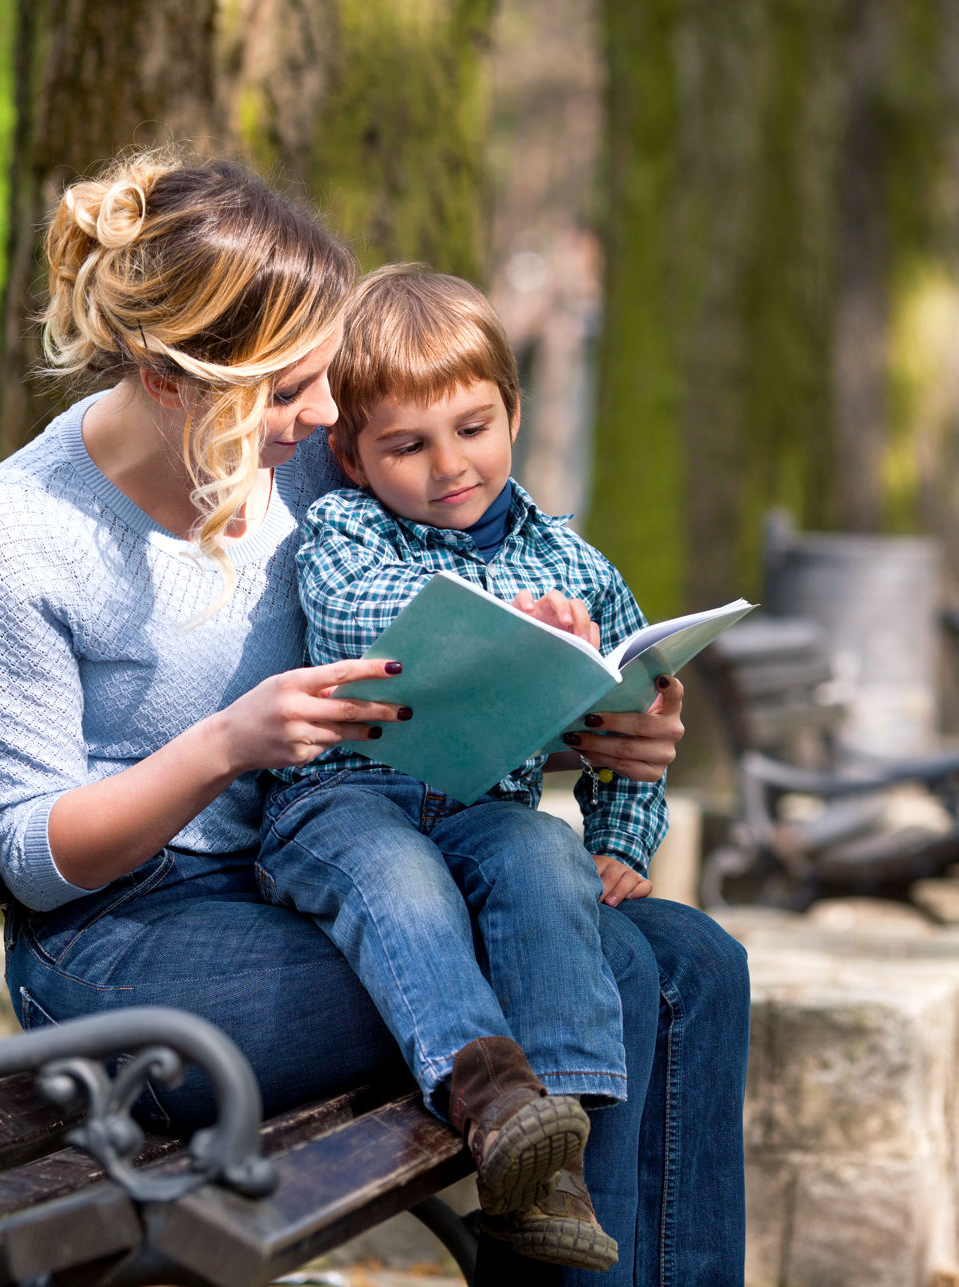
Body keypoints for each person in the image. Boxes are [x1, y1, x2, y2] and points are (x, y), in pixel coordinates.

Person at [0, 147, 748, 1286]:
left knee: (697, 961)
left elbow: (422, 669)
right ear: (172, 379)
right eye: (286, 391)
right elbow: (33, 856)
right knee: (615, 969)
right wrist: (224, 745)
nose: (321, 417)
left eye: (324, 380)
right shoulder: (23, 532)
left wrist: (589, 721)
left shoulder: (311, 466)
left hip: (319, 877)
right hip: (128, 945)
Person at [256, 263, 668, 1271]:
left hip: (484, 806)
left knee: (541, 853)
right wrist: (500, 628)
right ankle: (489, 1095)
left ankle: (548, 1147)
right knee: (400, 878)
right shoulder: (346, 532)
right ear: (350, 457)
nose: (449, 465)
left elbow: (632, 699)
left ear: (512, 414)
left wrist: (619, 836)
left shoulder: (574, 564)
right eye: (406, 445)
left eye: (473, 428)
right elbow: (367, 622)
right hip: (343, 802)